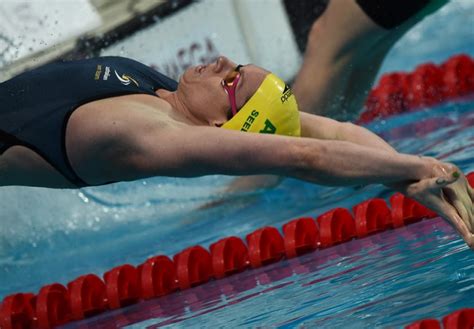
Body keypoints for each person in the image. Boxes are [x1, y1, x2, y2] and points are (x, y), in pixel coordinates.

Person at [0, 0, 473, 247]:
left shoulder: (157, 137)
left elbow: (303, 154)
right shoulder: (169, 96)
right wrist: (411, 166)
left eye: (232, 81)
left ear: (223, 125)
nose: (223, 61)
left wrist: (411, 172)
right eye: (237, 67)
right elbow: (326, 131)